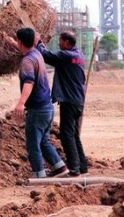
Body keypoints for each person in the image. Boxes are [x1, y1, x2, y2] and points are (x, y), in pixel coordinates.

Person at [11, 27, 68, 178]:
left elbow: (28, 83)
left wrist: (21, 103)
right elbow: (24, 48)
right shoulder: (36, 53)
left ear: (21, 41)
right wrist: (11, 41)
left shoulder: (27, 61)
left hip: (37, 109)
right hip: (47, 107)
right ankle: (60, 167)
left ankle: (39, 175)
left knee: (32, 144)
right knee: (43, 141)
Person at [36, 31, 88, 177]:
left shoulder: (67, 56)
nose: (59, 43)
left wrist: (38, 42)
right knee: (74, 134)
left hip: (70, 100)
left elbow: (47, 56)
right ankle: (82, 166)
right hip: (78, 100)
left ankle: (74, 168)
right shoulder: (79, 55)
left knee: (66, 135)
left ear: (66, 42)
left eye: (60, 41)